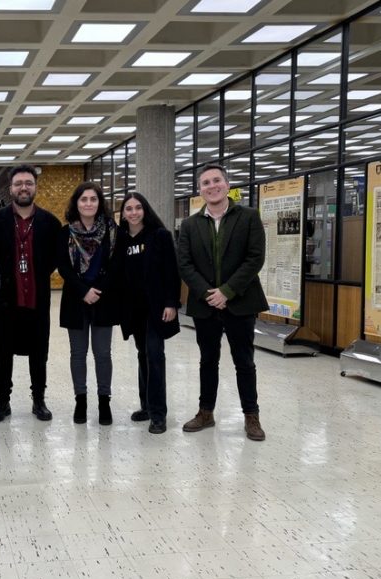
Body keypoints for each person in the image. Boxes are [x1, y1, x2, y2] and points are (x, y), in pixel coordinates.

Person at [177, 164, 267, 441]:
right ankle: (206, 412)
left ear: (227, 185)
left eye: (217, 181)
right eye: (205, 183)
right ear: (200, 190)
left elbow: (255, 258)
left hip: (240, 302)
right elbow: (185, 264)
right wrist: (208, 293)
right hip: (205, 305)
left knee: (244, 362)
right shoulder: (191, 225)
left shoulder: (249, 217)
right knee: (207, 361)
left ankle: (251, 417)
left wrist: (227, 291)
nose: (211, 186)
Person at [0, 164, 60, 423]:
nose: (23, 188)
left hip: (37, 300)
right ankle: (2, 402)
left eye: (28, 183)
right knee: (3, 354)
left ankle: (39, 400)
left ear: (35, 187)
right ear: (10, 188)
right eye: (19, 184)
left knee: (40, 353)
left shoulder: (50, 223)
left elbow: (54, 259)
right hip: (5, 301)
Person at [112, 191, 181, 435]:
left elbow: (172, 272)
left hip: (156, 309)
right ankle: (146, 406)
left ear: (145, 210)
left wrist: (171, 303)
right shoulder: (121, 239)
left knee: (154, 355)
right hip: (133, 310)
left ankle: (158, 414)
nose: (133, 212)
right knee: (142, 355)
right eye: (128, 209)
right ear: (123, 214)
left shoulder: (159, 236)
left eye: (137, 207)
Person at [57, 181, 118, 426]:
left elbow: (116, 266)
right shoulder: (66, 232)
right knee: (78, 353)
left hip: (104, 299)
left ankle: (104, 401)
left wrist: (98, 290)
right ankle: (80, 399)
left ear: (99, 203)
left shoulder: (112, 230)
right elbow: (63, 267)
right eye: (84, 199)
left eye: (93, 199)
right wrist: (84, 291)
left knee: (103, 353)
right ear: (77, 204)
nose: (89, 204)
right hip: (76, 299)